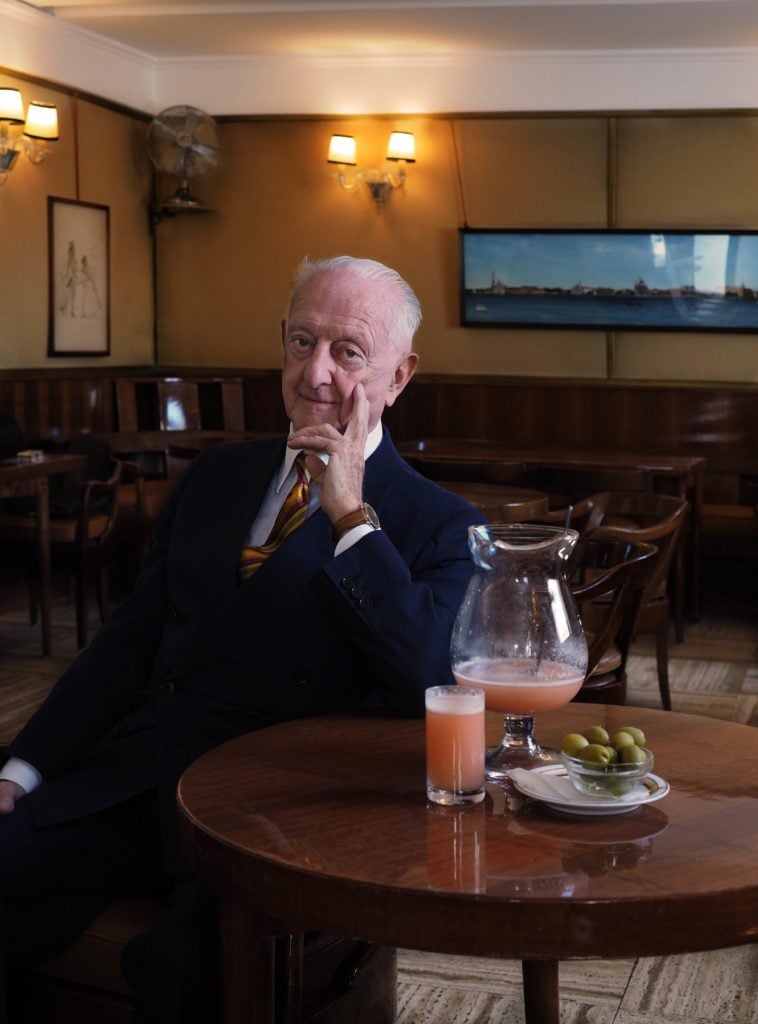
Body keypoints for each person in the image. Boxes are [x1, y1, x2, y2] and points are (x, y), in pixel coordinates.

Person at [0, 255, 484, 1021]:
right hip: (141, 777)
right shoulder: (214, 476)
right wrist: (23, 769)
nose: (315, 372)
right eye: (301, 341)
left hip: (276, 819)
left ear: (399, 376)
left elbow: (428, 679)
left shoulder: (442, 525)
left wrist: (352, 517)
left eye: (348, 351)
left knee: (194, 973)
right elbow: (127, 644)